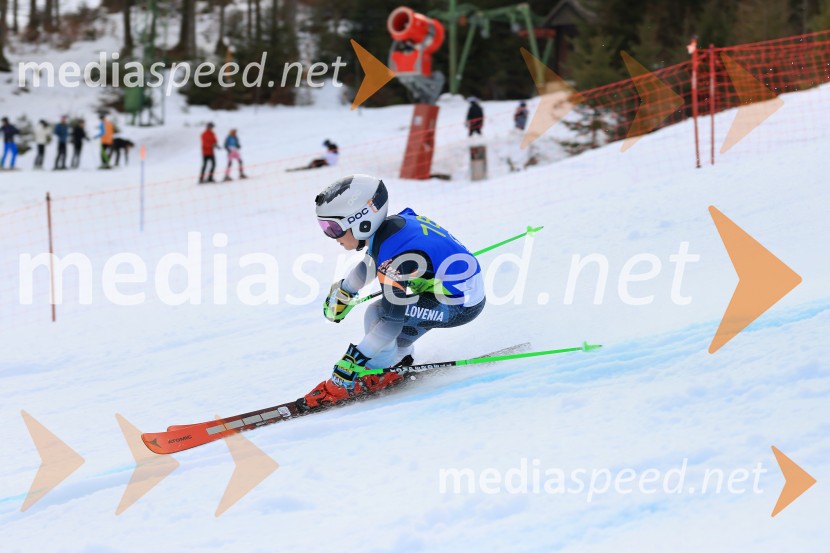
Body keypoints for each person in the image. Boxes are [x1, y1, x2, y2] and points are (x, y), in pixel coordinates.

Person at [300, 174, 487, 410]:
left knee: (377, 314)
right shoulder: (390, 230)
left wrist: (355, 359)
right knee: (390, 316)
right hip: (448, 290)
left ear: (362, 221)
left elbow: (390, 321)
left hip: (461, 306)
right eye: (325, 227)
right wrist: (345, 291)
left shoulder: (396, 261)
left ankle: (380, 371)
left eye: (333, 227)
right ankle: (399, 357)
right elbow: (370, 263)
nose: (330, 235)